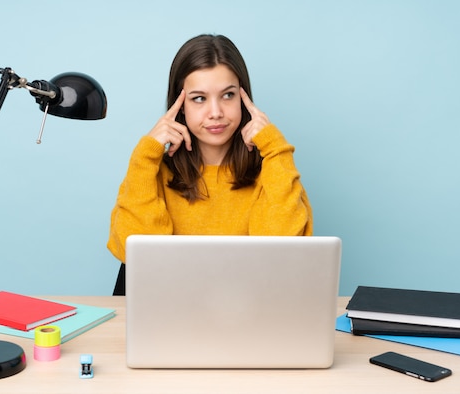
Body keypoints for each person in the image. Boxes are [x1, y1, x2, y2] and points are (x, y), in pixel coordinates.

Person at [107, 34, 313, 295]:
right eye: (199, 98)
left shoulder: (273, 169)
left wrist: (276, 149)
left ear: (244, 98)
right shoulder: (152, 171)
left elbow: (284, 258)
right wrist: (145, 156)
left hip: (249, 314)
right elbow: (132, 256)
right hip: (167, 312)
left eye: (228, 95)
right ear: (180, 106)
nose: (215, 112)